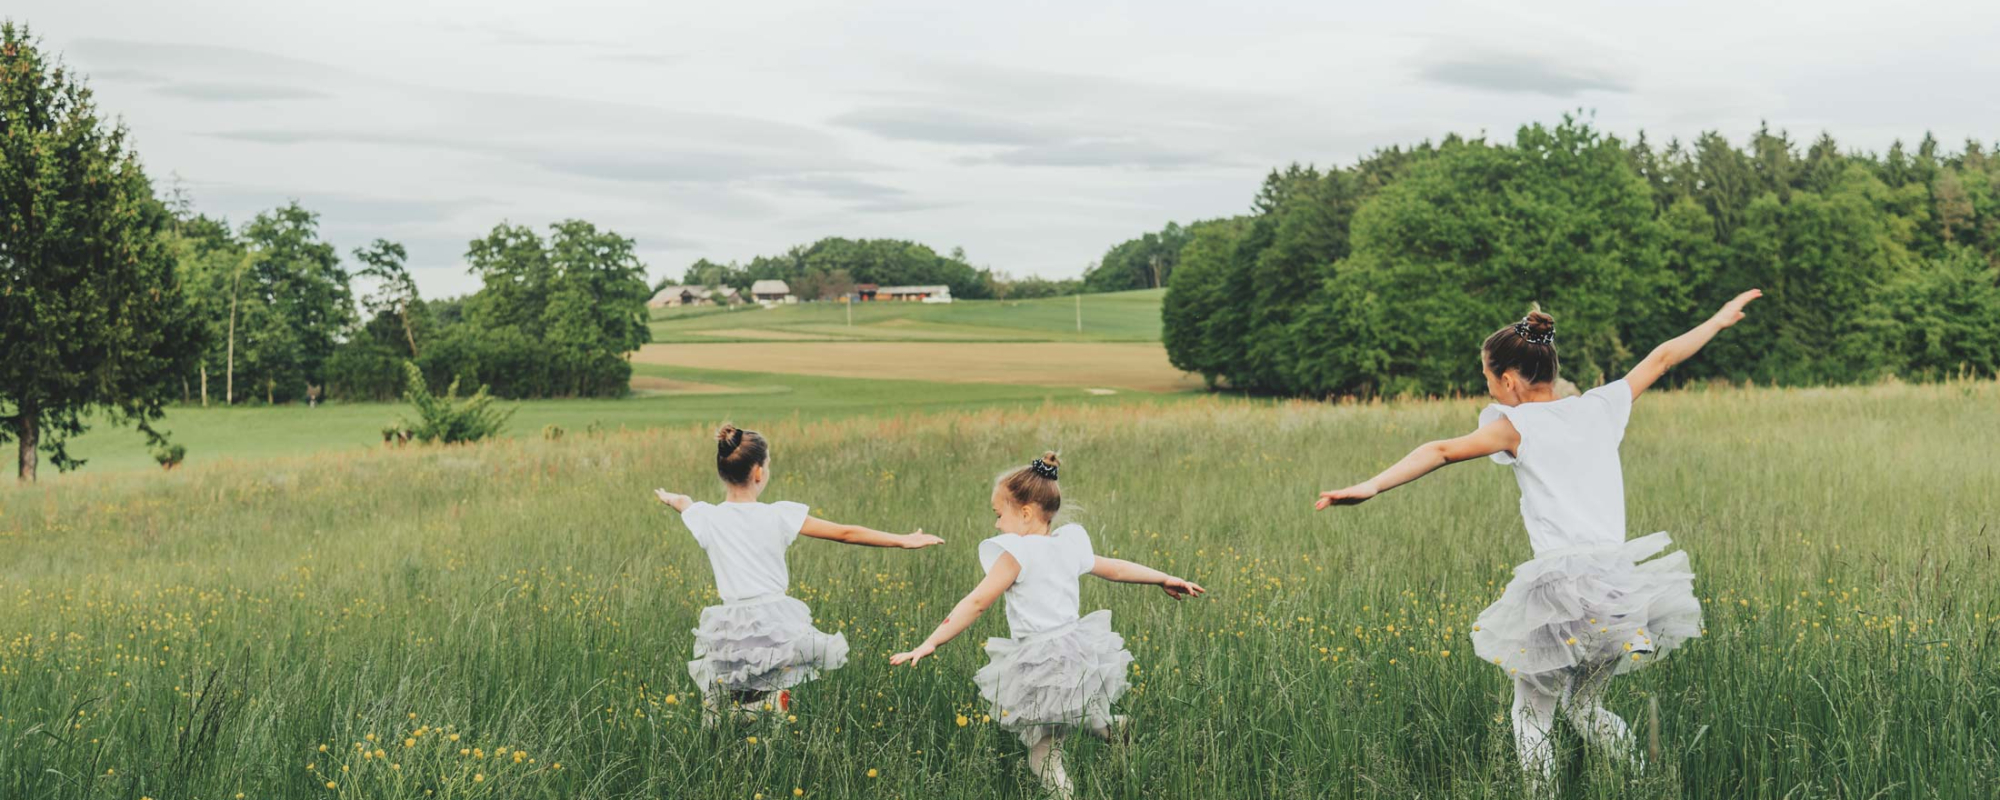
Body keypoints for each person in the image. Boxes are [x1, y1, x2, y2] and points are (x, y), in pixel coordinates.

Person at [1315, 290, 1762, 787]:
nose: (1488, 392)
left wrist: (1371, 486)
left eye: (1487, 382)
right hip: (1618, 591)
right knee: (1584, 705)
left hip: (1561, 590)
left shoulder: (1516, 426)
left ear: (1508, 380)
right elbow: (1661, 357)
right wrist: (1718, 321)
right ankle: (1643, 781)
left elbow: (1441, 450)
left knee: (1532, 714)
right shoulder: (1599, 407)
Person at [890, 452, 1205, 799]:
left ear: (1025, 513)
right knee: (1077, 714)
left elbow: (977, 602)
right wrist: (1164, 577)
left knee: (1043, 754)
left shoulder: (1016, 553)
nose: (996, 525)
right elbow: (1114, 568)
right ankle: (1113, 729)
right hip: (1077, 652)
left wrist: (930, 642)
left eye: (999, 515)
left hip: (1042, 661)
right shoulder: (1067, 545)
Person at [654, 423, 944, 723]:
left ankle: (730, 732)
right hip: (774, 622)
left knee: (729, 698)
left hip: (730, 625)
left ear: (721, 471)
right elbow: (845, 532)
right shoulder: (778, 514)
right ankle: (769, 724)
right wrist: (902, 539)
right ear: (758, 473)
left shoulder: (706, 516)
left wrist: (669, 498)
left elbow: (684, 503)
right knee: (771, 693)